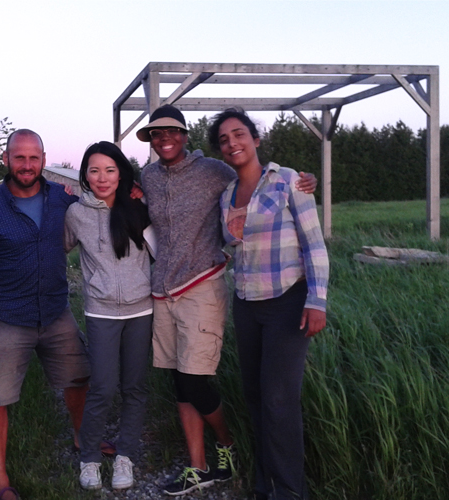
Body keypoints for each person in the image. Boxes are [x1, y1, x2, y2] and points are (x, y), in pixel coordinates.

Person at [135, 105, 317, 496]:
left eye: (172, 132)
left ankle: (249, 462)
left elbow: (309, 237)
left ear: (185, 135)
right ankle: (212, 470)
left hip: (229, 289)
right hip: (205, 293)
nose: (164, 139)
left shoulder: (229, 175)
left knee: (226, 386)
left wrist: (308, 179)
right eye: (156, 134)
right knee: (198, 384)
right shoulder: (154, 178)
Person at [0, 129, 92, 500]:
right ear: (6, 159)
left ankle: (83, 439)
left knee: (78, 378)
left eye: (33, 158)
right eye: (19, 157)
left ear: (43, 159)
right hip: (6, 318)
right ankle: (0, 480)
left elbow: (101, 204)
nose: (26, 165)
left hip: (55, 311)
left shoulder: (61, 200)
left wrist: (130, 191)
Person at [210, 108, 329, 500]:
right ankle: (265, 486)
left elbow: (314, 243)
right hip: (247, 303)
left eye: (239, 134)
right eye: (224, 139)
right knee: (256, 395)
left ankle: (291, 491)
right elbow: (230, 248)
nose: (233, 143)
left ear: (255, 139)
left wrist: (317, 300)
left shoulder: (289, 181)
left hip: (287, 300)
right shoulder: (227, 195)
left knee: (279, 398)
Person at [63, 142, 152, 491]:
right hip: (100, 311)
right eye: (94, 170)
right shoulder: (75, 214)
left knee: (134, 387)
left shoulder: (139, 207)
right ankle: (89, 459)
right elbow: (59, 247)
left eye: (110, 170)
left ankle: (125, 456)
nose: (102, 178)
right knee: (101, 387)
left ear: (121, 172)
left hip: (141, 308)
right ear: (85, 173)